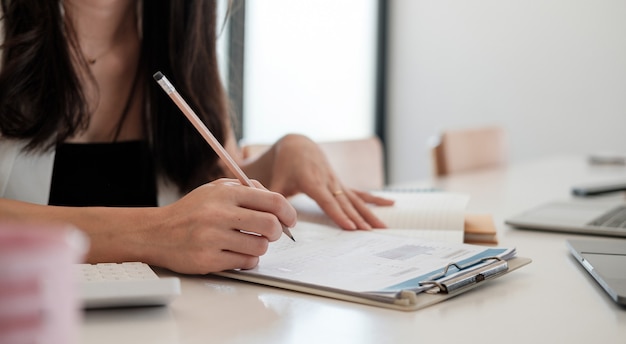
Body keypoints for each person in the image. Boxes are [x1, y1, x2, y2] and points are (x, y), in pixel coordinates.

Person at [0, 0, 394, 275]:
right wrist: (154, 234)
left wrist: (276, 162)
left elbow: (200, 191)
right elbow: (176, 224)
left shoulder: (179, 46)